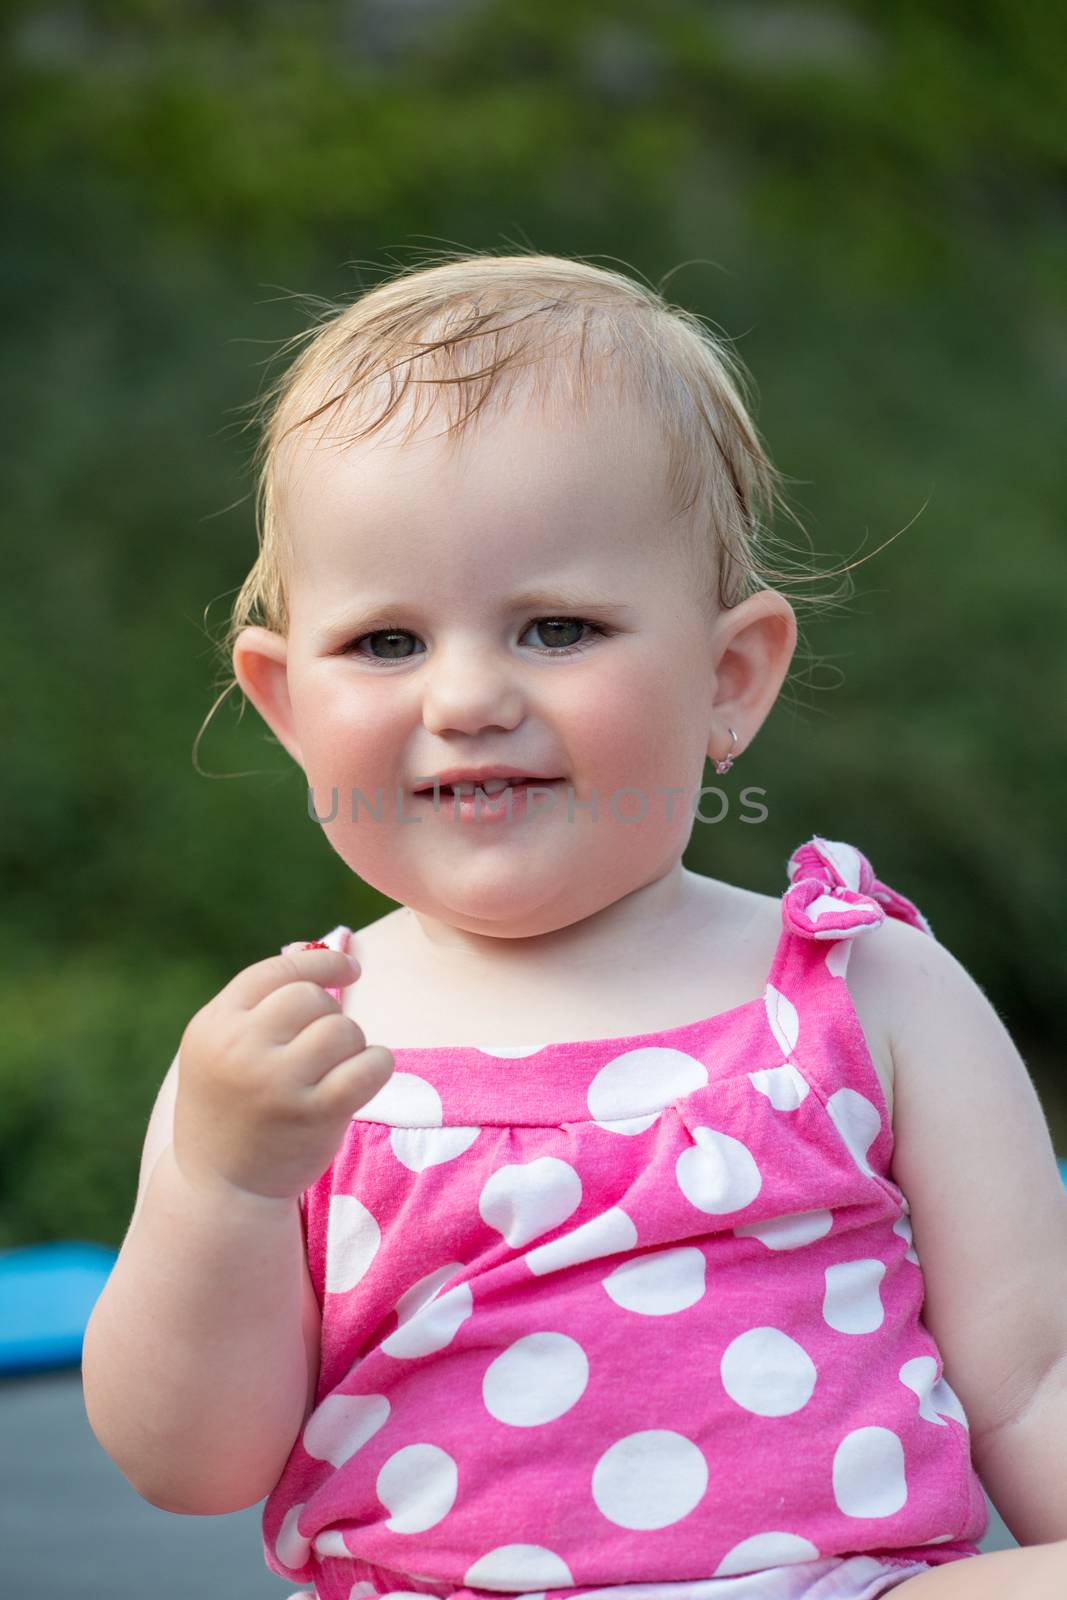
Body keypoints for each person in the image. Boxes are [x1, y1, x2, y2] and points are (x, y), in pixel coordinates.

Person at [82, 254, 1067, 1600]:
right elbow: (185, 1465)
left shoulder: (865, 985)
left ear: (728, 681)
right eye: (386, 644)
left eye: (556, 628)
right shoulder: (301, 1053)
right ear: (285, 704)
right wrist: (226, 1187)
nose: (471, 696)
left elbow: (1036, 1379)